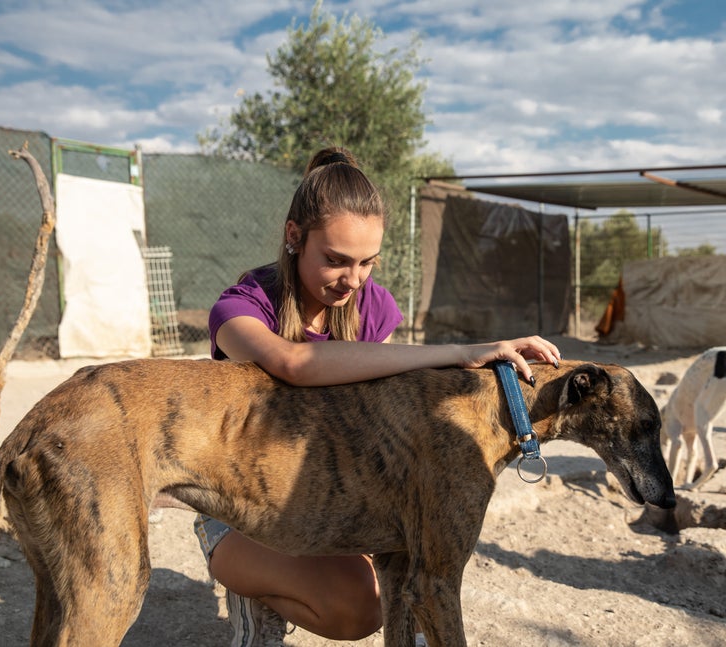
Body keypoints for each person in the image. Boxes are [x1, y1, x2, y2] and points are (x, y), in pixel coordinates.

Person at [193, 146, 561, 646]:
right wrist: (459, 351)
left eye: (368, 262)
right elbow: (292, 364)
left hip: (330, 499)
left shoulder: (372, 305)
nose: (354, 280)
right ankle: (254, 593)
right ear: (293, 236)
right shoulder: (241, 308)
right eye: (336, 261)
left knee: (383, 599)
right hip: (241, 511)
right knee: (355, 604)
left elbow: (388, 401)